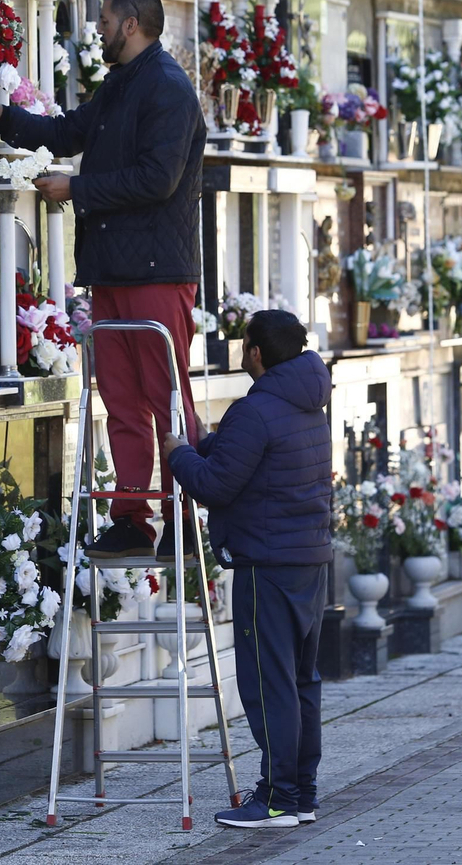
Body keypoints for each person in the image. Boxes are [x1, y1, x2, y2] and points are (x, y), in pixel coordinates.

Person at [0, 0, 206, 560]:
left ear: (131, 24)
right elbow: (67, 132)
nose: (96, 28)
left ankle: (184, 518)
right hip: (114, 270)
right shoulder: (122, 84)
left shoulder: (168, 89)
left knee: (167, 397)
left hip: (155, 270)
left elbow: (157, 179)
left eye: (104, 19)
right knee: (121, 400)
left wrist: (77, 187)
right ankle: (132, 518)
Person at [160, 310, 333, 829]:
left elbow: (215, 485)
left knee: (267, 684)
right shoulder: (305, 400)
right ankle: (300, 792)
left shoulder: (255, 409)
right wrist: (205, 444)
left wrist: (176, 454)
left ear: (256, 352)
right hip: (309, 557)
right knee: (302, 681)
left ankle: (277, 798)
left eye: (243, 345)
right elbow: (246, 454)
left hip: (267, 563)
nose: (240, 352)